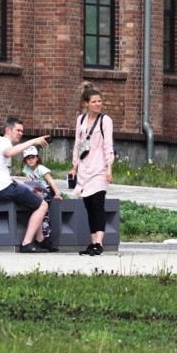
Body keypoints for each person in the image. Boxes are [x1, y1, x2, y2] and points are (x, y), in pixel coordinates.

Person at [0, 116, 51, 253]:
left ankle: (41, 240)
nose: (20, 133)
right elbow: (10, 152)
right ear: (8, 130)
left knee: (37, 197)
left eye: (22, 131)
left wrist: (18, 182)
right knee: (43, 204)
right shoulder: (3, 142)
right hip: (2, 188)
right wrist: (34, 141)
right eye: (18, 130)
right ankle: (27, 243)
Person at [69, 82, 114, 256]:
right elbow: (77, 144)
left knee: (98, 204)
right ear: (86, 103)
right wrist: (74, 167)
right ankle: (93, 242)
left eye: (99, 101)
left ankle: (99, 243)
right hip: (84, 167)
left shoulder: (105, 120)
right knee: (88, 205)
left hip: (99, 166)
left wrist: (109, 167)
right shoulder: (80, 120)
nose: (98, 104)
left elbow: (108, 145)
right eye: (94, 101)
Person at [21, 146, 62, 252]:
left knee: (43, 205)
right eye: (27, 158)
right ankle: (41, 238)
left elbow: (51, 182)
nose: (30, 159)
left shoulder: (41, 169)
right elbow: (28, 181)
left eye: (32, 157)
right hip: (36, 190)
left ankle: (45, 227)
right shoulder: (27, 169)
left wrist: (57, 193)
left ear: (37, 158)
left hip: (46, 190)